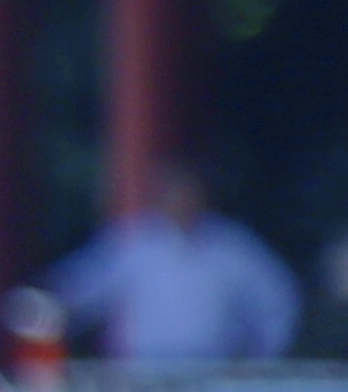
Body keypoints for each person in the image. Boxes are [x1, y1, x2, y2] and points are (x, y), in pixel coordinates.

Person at [41, 156, 302, 365]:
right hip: (143, 378)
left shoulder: (233, 246)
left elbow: (278, 298)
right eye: (173, 194)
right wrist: (46, 306)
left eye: (189, 193)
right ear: (159, 198)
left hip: (213, 374)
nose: (181, 202)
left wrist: (262, 359)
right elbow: (85, 287)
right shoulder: (133, 244)